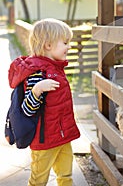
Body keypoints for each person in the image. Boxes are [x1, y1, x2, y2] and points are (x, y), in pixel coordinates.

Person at [8, 18, 80, 186]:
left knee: (66, 176)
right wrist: (37, 89)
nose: (69, 46)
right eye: (65, 42)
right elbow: (27, 110)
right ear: (48, 45)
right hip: (45, 142)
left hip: (63, 138)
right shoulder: (37, 74)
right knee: (38, 180)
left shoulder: (55, 68)